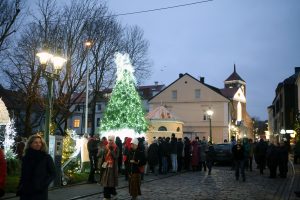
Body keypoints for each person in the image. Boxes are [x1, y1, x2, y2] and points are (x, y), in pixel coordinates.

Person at [17, 134, 56, 200]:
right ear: (30, 144)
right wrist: (20, 187)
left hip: (39, 192)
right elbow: (23, 175)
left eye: (40, 142)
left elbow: (53, 173)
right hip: (26, 191)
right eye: (35, 142)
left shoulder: (46, 157)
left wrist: (43, 185)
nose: (38, 144)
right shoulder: (26, 157)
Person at [100, 135, 119, 200]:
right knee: (106, 182)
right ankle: (107, 196)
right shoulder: (106, 147)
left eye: (111, 140)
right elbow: (103, 157)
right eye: (109, 140)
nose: (110, 141)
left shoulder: (116, 147)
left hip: (113, 168)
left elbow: (116, 157)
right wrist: (102, 165)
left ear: (113, 140)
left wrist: (112, 151)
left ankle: (113, 194)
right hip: (106, 166)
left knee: (111, 183)